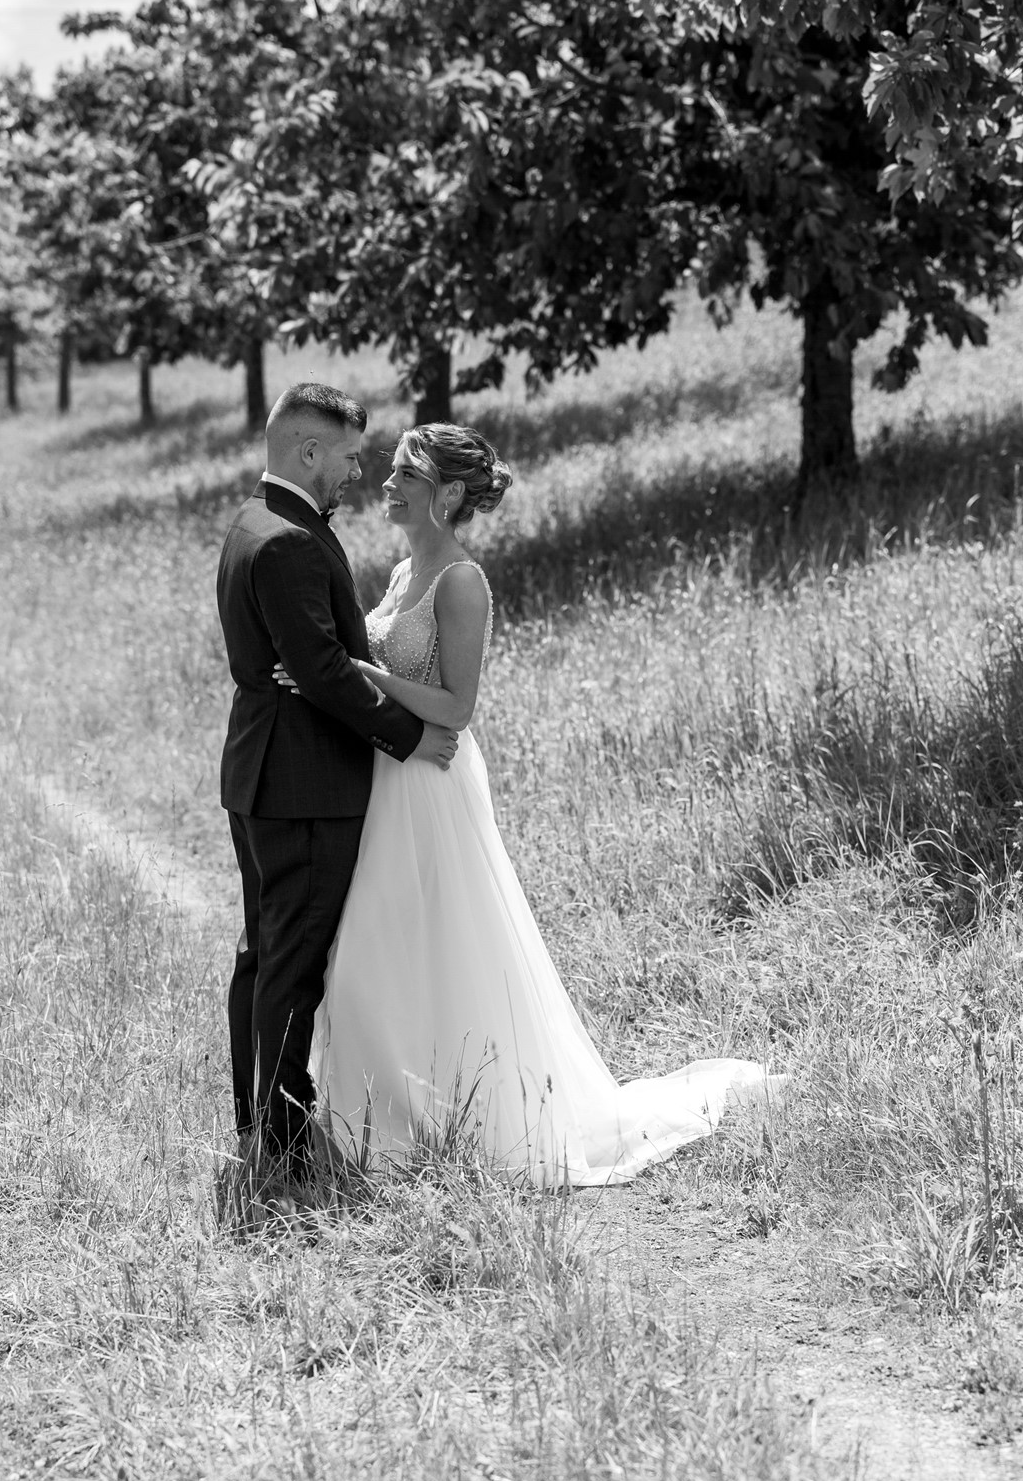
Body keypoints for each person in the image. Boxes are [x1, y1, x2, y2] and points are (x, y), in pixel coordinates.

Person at [286, 422, 781, 1187]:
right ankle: (385, 1122)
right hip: (387, 779)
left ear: (448, 493)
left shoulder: (460, 580)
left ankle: (469, 1119)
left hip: (434, 786)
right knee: (372, 958)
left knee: (447, 950)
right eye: (387, 473)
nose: (385, 484)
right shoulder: (397, 574)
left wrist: (358, 673)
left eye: (404, 475)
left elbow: (455, 706)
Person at [216, 383, 458, 1180]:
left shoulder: (255, 521)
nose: (358, 472)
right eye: (350, 456)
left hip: (261, 773)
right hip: (303, 785)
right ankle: (282, 1145)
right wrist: (410, 738)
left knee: (264, 954)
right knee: (292, 963)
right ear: (307, 451)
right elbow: (318, 671)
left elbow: (312, 663)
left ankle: (258, 1120)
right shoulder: (286, 538)